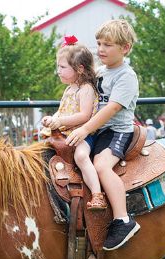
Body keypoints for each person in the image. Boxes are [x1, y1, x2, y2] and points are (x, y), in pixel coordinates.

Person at [65, 19, 140, 251]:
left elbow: (112, 108)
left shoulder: (126, 76)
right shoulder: (100, 72)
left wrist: (85, 128)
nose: (100, 49)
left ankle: (122, 219)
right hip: (98, 129)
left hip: (117, 130)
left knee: (101, 166)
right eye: (98, 43)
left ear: (125, 48)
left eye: (108, 45)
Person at [41, 36, 107, 211]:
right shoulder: (70, 88)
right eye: (58, 66)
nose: (58, 71)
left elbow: (85, 116)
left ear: (79, 68)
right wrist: (52, 119)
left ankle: (97, 194)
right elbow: (63, 110)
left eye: (62, 67)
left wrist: (59, 121)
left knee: (81, 156)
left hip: (83, 134)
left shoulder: (85, 89)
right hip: (66, 132)